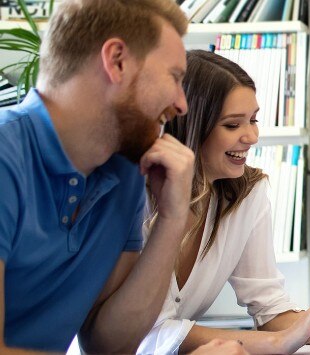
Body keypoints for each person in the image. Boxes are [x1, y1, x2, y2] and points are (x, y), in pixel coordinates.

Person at [0, 0, 240, 352]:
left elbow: (107, 345)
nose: (182, 104)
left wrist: (172, 219)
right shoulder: (6, 158)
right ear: (117, 61)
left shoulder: (124, 170)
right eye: (174, 77)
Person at [135, 50, 310, 354]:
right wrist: (277, 343)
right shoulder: (137, 197)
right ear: (191, 126)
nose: (251, 136)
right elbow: (148, 334)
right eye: (232, 125)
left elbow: (271, 310)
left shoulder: (248, 193)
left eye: (253, 120)